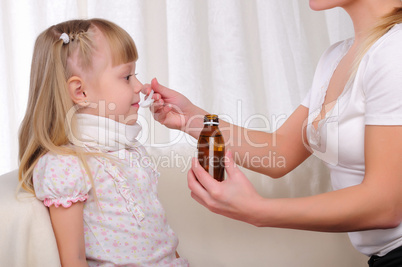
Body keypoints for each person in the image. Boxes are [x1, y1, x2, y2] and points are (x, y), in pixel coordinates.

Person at [143, 0, 402, 266]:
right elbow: (280, 151)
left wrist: (257, 211)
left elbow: (385, 206)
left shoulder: (395, 50)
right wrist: (191, 119)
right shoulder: (337, 56)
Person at [18, 18, 189, 266]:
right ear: (80, 92)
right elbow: (73, 259)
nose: (140, 86)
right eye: (127, 76)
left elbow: (161, 236)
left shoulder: (128, 149)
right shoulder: (67, 165)